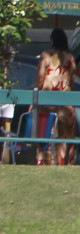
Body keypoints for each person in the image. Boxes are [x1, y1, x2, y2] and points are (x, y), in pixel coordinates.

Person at [35, 26, 76, 166]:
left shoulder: (46, 57)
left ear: (52, 41)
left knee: (46, 133)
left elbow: (40, 79)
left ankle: (44, 162)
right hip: (66, 102)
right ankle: (64, 163)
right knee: (65, 136)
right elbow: (71, 79)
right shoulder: (70, 59)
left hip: (48, 101)